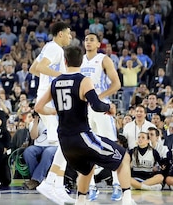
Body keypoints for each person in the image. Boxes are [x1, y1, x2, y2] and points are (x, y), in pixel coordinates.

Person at [35, 45, 135, 205]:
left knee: (87, 168)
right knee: (124, 156)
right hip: (81, 136)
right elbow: (96, 105)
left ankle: (80, 201)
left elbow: (38, 107)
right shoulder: (83, 79)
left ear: (65, 62)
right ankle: (127, 200)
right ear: (81, 61)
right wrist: (109, 107)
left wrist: (55, 112)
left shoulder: (55, 82)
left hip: (65, 141)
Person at [29, 21, 74, 204]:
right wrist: (61, 77)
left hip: (48, 95)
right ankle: (51, 183)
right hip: (50, 97)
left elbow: (33, 68)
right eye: (69, 33)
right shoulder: (55, 48)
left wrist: (50, 78)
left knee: (64, 143)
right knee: (66, 142)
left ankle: (57, 185)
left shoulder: (48, 47)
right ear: (61, 34)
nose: (71, 37)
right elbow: (39, 68)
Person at [79, 32, 123, 201]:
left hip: (102, 106)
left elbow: (117, 83)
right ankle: (91, 187)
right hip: (84, 108)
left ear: (98, 44)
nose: (88, 42)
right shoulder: (80, 60)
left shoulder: (103, 59)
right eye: (86, 39)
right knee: (87, 147)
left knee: (110, 144)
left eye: (92, 40)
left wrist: (97, 98)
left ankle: (117, 184)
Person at [22, 111, 58, 190]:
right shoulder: (35, 122)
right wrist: (36, 121)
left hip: (54, 145)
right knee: (28, 152)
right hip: (38, 146)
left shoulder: (56, 119)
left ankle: (35, 180)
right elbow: (33, 136)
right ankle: (38, 180)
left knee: (47, 152)